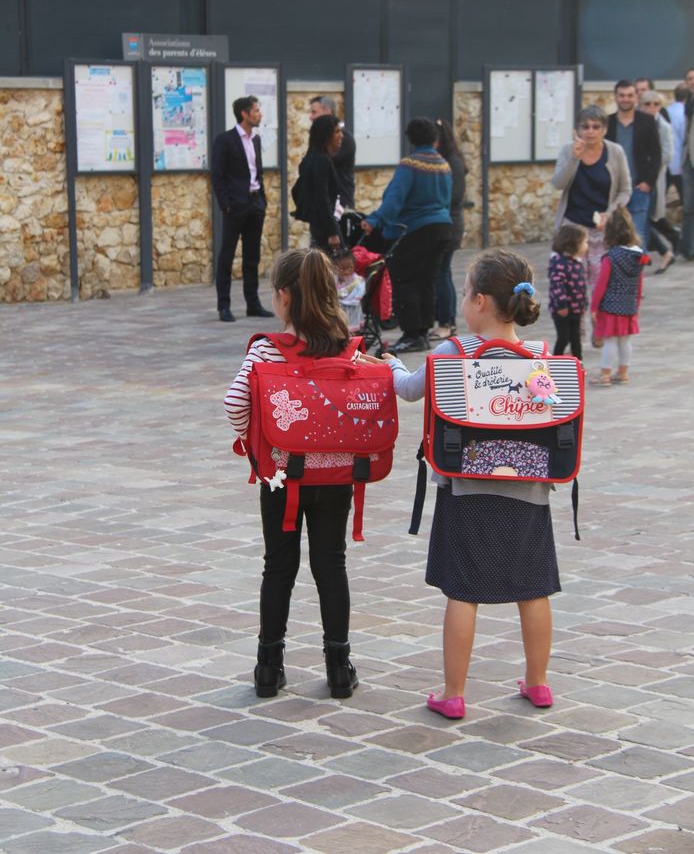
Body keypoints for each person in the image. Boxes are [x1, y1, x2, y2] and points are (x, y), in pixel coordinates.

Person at [362, 250, 561, 719]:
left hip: (467, 485)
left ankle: (454, 692)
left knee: (463, 591)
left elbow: (409, 389)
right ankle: (538, 682)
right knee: (534, 589)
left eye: (467, 292)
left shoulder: (453, 352)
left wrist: (389, 364)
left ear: (480, 302)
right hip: (530, 487)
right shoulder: (539, 357)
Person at [224, 248, 360, 699]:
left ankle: (269, 666)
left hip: (281, 475)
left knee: (278, 567)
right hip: (336, 476)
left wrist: (258, 442)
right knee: (331, 564)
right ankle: (339, 667)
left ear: (283, 297)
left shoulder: (267, 349)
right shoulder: (347, 346)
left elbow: (234, 404)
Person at [359, 117, 452, 354]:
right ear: (434, 138)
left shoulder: (410, 164)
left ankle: (411, 333)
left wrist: (374, 220)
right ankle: (423, 331)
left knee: (405, 280)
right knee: (427, 280)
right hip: (442, 227)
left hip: (416, 229)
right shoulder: (443, 164)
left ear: (410, 138)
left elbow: (394, 199)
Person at [551, 105, 632, 331]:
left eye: (596, 126)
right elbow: (558, 183)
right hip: (572, 227)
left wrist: (611, 211)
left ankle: (599, 328)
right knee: (572, 283)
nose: (590, 131)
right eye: (585, 126)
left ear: (604, 129)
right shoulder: (569, 150)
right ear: (577, 129)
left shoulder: (615, 152)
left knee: (599, 282)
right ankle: (577, 331)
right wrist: (574, 159)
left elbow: (625, 190)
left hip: (602, 229)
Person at [211, 95, 272, 322]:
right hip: (235, 206)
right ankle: (224, 306)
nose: (259, 114)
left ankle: (253, 303)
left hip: (255, 204)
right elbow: (217, 175)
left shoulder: (255, 140)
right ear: (245, 114)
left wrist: (262, 199)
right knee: (227, 255)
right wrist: (226, 204)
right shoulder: (225, 140)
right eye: (256, 110)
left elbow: (258, 172)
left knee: (252, 256)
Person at [590, 207, 646, 386]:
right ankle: (623, 372)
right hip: (629, 304)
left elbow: (601, 285)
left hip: (610, 306)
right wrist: (636, 305)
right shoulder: (638, 256)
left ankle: (605, 375)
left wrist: (594, 307)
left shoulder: (610, 257)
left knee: (610, 341)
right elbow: (639, 284)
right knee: (625, 340)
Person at [604, 79, 662, 249]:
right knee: (613, 234)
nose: (626, 99)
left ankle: (637, 275)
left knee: (638, 235)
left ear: (636, 97)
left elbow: (656, 154)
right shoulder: (608, 123)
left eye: (630, 95)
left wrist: (648, 182)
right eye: (621, 95)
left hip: (639, 188)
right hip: (614, 190)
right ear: (615, 97)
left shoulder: (647, 121)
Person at [430, 118, 467, 340]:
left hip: (449, 225)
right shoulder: (446, 160)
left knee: (441, 273)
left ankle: (446, 322)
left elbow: (454, 196)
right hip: (446, 223)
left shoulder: (452, 163)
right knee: (443, 272)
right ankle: (448, 321)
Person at [292, 115, 343, 252]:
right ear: (326, 135)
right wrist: (332, 232)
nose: (341, 136)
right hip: (324, 228)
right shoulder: (321, 160)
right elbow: (322, 198)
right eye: (337, 132)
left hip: (320, 225)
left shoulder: (313, 157)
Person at [638, 90, 675, 273]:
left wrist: (651, 168)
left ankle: (663, 251)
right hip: (637, 179)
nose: (652, 108)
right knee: (642, 219)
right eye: (648, 104)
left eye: (656, 104)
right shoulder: (638, 123)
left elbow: (668, 154)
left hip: (654, 179)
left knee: (644, 218)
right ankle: (664, 251)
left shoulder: (664, 126)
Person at [547, 224, 588, 360]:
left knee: (575, 337)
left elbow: (582, 286)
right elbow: (557, 286)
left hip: (576, 309)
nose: (586, 246)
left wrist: (584, 305)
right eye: (584, 242)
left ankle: (578, 363)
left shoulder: (577, 262)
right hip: (562, 310)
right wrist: (561, 305)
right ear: (573, 243)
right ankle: (553, 363)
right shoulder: (559, 263)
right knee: (563, 337)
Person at [309, 95, 356, 210]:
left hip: (339, 206)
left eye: (314, 112)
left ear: (328, 112)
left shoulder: (344, 139)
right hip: (322, 205)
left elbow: (319, 164)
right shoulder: (319, 140)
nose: (310, 117)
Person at [680, 66, 694, 262]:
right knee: (689, 207)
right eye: (690, 78)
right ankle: (689, 248)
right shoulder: (689, 101)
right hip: (688, 160)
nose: (693, 81)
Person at [333, 250, 366, 331]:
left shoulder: (357, 280)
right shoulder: (335, 278)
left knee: (350, 328)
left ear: (354, 266)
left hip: (350, 307)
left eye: (349, 268)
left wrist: (342, 295)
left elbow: (359, 293)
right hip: (337, 306)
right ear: (336, 268)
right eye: (342, 269)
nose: (346, 271)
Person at [667, 82, 688, 204]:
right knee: (687, 200)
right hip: (681, 163)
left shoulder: (667, 111)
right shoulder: (685, 114)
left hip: (667, 163)